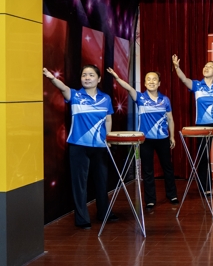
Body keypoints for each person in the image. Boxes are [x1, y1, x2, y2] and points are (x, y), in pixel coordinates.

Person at [43, 65, 117, 229]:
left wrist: (108, 138)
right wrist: (51, 77)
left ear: (99, 79)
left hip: (100, 146)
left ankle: (104, 213)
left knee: (102, 181)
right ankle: (82, 219)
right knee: (79, 184)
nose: (87, 78)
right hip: (78, 146)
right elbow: (63, 88)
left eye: (91, 75)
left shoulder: (106, 98)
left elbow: (108, 119)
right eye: (84, 75)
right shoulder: (75, 95)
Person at [106, 68, 178, 208]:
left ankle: (172, 194)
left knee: (168, 168)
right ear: (144, 83)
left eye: (154, 79)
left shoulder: (165, 100)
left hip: (163, 138)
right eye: (148, 79)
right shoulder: (140, 97)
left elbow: (170, 119)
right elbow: (128, 88)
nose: (151, 81)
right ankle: (150, 200)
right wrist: (117, 78)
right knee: (147, 170)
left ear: (159, 83)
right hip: (145, 140)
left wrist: (173, 137)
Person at [172, 55, 213, 194]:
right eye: (205, 66)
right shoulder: (197, 85)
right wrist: (177, 67)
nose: (206, 68)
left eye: (210, 67)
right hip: (202, 125)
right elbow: (183, 79)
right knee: (204, 155)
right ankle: (206, 186)